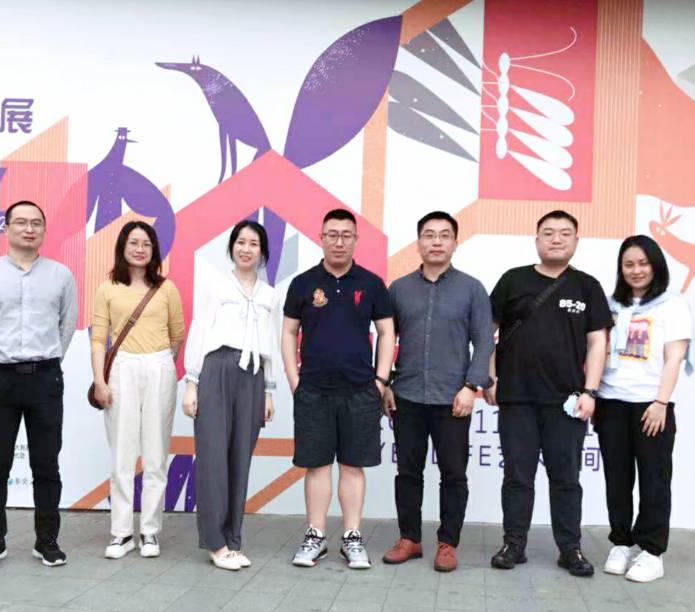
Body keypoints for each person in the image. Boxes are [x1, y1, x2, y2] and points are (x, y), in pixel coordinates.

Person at [487, 210, 611, 577]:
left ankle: (570, 549)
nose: (556, 239)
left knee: (566, 478)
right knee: (517, 477)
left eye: (565, 233)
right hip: (517, 398)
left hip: (567, 401)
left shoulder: (587, 286)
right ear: (537, 239)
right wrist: (488, 376)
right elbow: (486, 331)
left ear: (576, 240)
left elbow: (598, 342)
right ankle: (514, 544)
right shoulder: (513, 280)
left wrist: (591, 391)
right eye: (549, 233)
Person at [0, 200, 77, 569]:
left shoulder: (61, 275)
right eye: (22, 222)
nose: (30, 229)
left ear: (44, 230)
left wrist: (48, 360)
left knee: (47, 464)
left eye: (37, 223)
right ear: (7, 228)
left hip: (45, 378)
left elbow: (67, 325)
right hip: (0, 378)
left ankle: (47, 541)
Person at [282, 208, 395, 569]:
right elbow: (289, 332)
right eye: (332, 235)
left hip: (360, 390)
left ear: (356, 240)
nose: (339, 242)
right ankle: (315, 535)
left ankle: (352, 536)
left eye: (347, 235)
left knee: (352, 465)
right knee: (316, 465)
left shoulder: (371, 283)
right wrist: (294, 380)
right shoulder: (303, 283)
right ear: (321, 238)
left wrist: (380, 381)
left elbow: (387, 332)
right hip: (313, 390)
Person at [382, 211, 493, 572]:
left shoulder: (472, 289)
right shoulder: (399, 289)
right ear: (418, 243)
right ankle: (409, 538)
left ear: (455, 243)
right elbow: (385, 339)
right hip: (407, 395)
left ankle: (448, 543)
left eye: (444, 235)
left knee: (454, 475)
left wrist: (471, 387)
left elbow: (484, 342)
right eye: (429, 235)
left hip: (453, 398)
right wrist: (385, 383)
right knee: (408, 473)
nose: (436, 242)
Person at [595, 235, 692, 583]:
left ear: (655, 265)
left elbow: (674, 357)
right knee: (617, 480)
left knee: (654, 480)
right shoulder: (611, 305)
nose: (636, 270)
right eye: (629, 264)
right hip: (611, 403)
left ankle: (652, 551)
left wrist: (661, 402)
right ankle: (621, 543)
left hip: (651, 406)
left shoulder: (672, 305)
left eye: (643, 263)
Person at [182, 220, 279, 571]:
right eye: (240, 242)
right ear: (231, 247)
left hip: (252, 377)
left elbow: (270, 345)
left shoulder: (269, 295)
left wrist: (268, 392)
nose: (246, 249)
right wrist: (192, 382)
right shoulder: (215, 284)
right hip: (216, 369)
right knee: (212, 457)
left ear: (262, 251)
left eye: (253, 243)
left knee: (240, 459)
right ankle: (216, 542)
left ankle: (233, 540)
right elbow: (199, 330)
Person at [91, 221, 185, 560]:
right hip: (122, 368)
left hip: (159, 365)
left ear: (154, 250)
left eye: (146, 243)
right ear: (122, 247)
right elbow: (98, 339)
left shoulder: (167, 288)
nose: (140, 249)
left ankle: (149, 531)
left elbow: (177, 334)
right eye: (134, 242)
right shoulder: (107, 288)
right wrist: (100, 381)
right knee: (122, 455)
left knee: (156, 455)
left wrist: (161, 363)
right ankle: (121, 533)